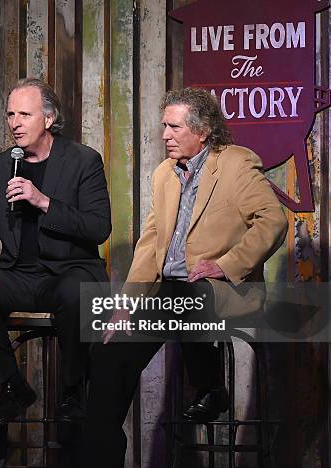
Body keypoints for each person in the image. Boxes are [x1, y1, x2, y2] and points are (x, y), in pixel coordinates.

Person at [82, 87, 288, 466]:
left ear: (203, 130)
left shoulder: (237, 163)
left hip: (221, 290)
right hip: (167, 294)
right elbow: (149, 245)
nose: (164, 135)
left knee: (187, 298)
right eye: (164, 126)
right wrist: (126, 303)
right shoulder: (164, 174)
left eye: (174, 127)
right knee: (109, 350)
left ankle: (211, 387)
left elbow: (274, 221)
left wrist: (227, 264)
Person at [0, 78, 111, 423]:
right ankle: (12, 385)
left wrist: (43, 202)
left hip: (69, 271)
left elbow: (99, 228)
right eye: (10, 114)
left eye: (25, 114)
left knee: (75, 293)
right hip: (20, 276)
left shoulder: (83, 161)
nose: (14, 123)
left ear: (49, 119)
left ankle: (72, 390)